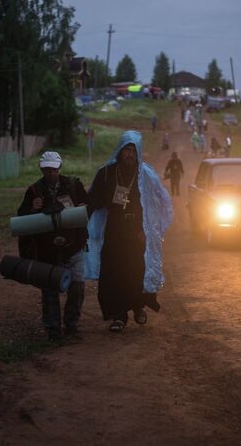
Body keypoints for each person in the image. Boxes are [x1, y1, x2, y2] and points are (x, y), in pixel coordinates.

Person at [84, 131, 173, 332]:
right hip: (114, 229)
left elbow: (160, 203)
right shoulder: (106, 173)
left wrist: (149, 230)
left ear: (138, 152)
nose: (129, 154)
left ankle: (138, 306)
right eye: (126, 149)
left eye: (133, 150)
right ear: (120, 150)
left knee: (136, 271)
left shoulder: (146, 175)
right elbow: (93, 200)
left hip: (137, 231)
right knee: (113, 272)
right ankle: (118, 315)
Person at [17, 151, 89, 341]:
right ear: (42, 169)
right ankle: (53, 331)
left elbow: (87, 207)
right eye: (47, 170)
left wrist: (81, 207)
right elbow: (22, 219)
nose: (51, 173)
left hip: (73, 246)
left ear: (59, 168)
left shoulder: (73, 185)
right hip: (46, 250)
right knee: (49, 290)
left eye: (54, 169)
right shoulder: (33, 191)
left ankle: (71, 326)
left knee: (78, 286)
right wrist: (32, 208)